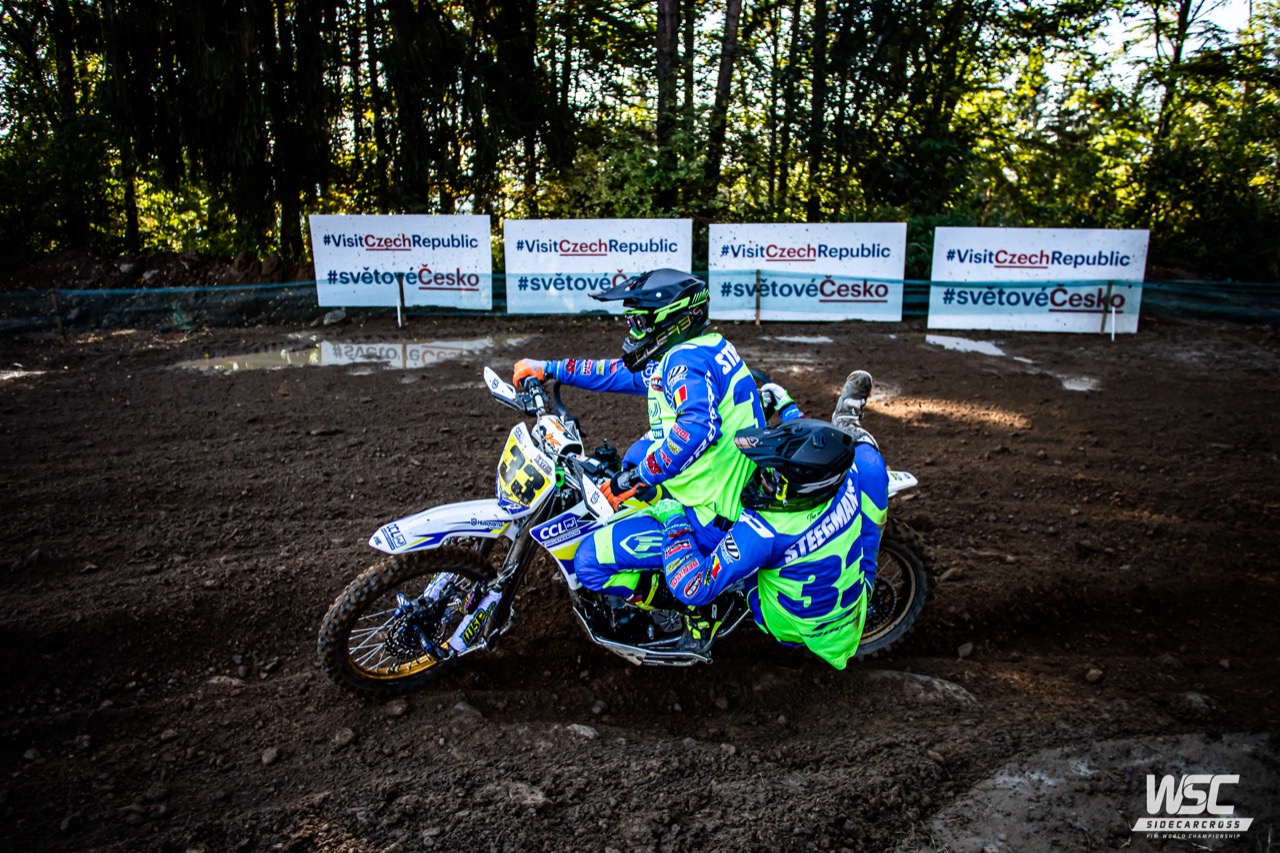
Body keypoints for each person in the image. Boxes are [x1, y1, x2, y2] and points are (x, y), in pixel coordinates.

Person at [512, 269, 787, 605]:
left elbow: (698, 429)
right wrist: (550, 368)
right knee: (635, 454)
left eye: (640, 322)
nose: (633, 332)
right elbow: (616, 373)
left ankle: (675, 611)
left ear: (674, 320)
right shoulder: (705, 349)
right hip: (729, 489)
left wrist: (636, 478)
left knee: (588, 561)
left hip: (710, 517)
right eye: (631, 322)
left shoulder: (683, 361)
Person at [645, 384, 889, 668]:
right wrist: (789, 412)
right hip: (855, 605)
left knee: (732, 549)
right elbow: (812, 455)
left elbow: (693, 588)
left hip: (787, 627)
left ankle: (714, 615)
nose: (762, 476)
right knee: (872, 467)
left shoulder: (761, 530)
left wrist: (674, 520)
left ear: (802, 489)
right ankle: (846, 430)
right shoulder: (848, 477)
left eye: (773, 477)